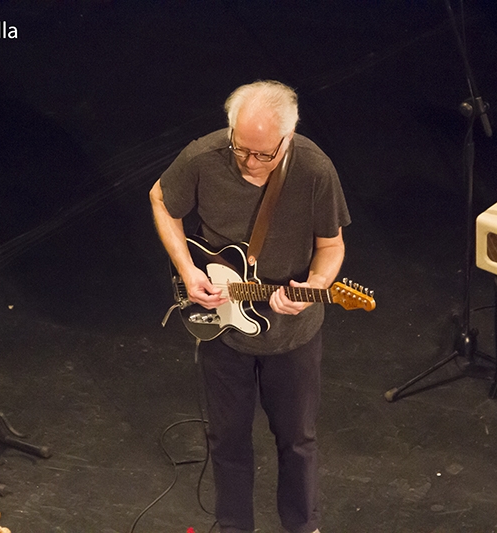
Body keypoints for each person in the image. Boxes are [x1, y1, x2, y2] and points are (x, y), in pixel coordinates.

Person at [149, 80, 350, 533]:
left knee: (297, 441)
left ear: (288, 138)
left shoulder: (315, 170)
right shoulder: (204, 156)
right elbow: (160, 199)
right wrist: (187, 269)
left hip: (293, 335)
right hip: (223, 328)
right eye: (242, 150)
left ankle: (302, 526)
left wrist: (315, 285)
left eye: (265, 154)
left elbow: (332, 245)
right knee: (227, 441)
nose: (251, 163)